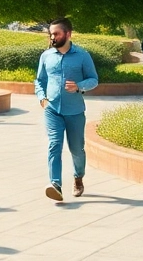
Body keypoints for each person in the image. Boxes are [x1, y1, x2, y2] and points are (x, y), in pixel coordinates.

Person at [36, 17, 99, 201]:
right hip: (52, 110)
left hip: (75, 112)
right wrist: (42, 98)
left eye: (56, 33)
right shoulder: (46, 56)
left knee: (77, 149)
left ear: (68, 34)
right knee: (54, 145)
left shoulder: (82, 55)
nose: (52, 37)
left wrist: (79, 86)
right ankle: (55, 184)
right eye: (51, 34)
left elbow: (94, 79)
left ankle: (78, 177)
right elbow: (39, 80)